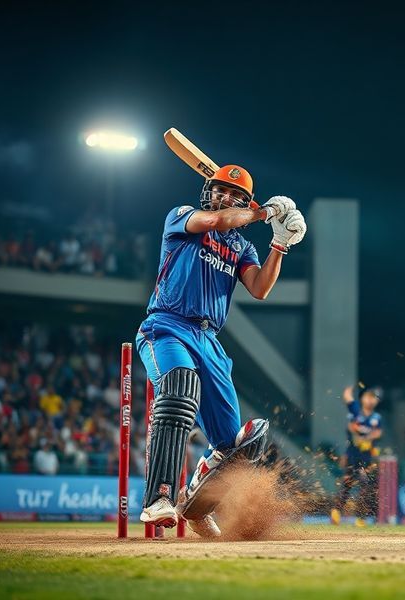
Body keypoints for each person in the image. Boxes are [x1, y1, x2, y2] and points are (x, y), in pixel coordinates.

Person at [135, 163, 306, 537]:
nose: (223, 198)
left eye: (234, 196)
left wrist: (279, 243)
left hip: (209, 340)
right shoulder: (183, 217)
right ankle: (158, 499)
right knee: (180, 387)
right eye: (218, 191)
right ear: (208, 192)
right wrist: (263, 212)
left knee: (237, 446)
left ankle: (196, 506)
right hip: (167, 326)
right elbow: (216, 222)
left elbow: (260, 288)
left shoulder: (242, 246)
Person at [331, 385, 383, 526]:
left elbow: (378, 433)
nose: (371, 400)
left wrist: (367, 439)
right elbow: (347, 398)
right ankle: (338, 512)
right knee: (350, 483)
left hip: (366, 458)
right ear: (363, 398)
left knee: (363, 485)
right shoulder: (356, 411)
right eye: (368, 397)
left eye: (374, 398)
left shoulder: (376, 417)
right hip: (352, 455)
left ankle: (358, 516)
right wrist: (350, 388)